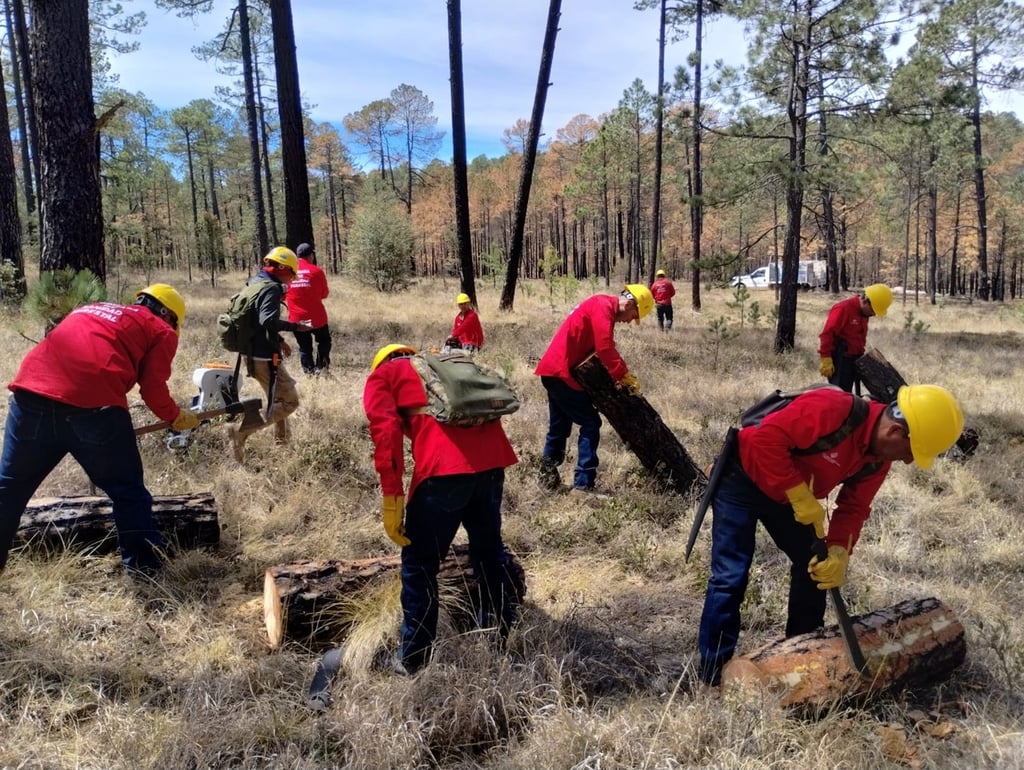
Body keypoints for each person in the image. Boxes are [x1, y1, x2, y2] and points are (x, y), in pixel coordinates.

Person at [697, 383, 964, 686]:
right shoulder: (833, 408)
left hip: (789, 496)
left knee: (815, 568)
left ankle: (802, 657)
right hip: (741, 478)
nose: (908, 461)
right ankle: (712, 674)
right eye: (911, 452)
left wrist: (839, 551)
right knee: (730, 576)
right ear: (895, 433)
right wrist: (798, 494)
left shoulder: (878, 459)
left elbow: (854, 507)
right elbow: (763, 440)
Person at [0, 284, 198, 577]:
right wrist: (175, 416)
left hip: (30, 396)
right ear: (167, 313)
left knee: (9, 489)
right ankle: (145, 572)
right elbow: (154, 389)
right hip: (94, 408)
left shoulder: (87, 309)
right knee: (128, 493)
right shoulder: (160, 329)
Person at [363, 343, 520, 673]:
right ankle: (500, 637)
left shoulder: (383, 377)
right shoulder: (445, 364)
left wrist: (393, 501)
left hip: (443, 472)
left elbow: (386, 435)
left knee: (420, 565)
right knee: (489, 553)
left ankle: (414, 659)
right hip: (492, 464)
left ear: (381, 362)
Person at [534, 284, 654, 492]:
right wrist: (623, 374)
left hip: (553, 370)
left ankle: (547, 478)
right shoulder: (602, 307)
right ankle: (583, 483)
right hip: (560, 373)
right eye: (633, 315)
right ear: (631, 303)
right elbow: (605, 347)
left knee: (558, 429)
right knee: (590, 422)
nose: (629, 322)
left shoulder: (601, 306)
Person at [228, 246, 308, 461]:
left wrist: (280, 340)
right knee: (290, 402)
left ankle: (283, 443)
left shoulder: (255, 283)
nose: (291, 279)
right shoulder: (271, 288)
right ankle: (241, 432)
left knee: (277, 400)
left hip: (253, 352)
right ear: (282, 268)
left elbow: (256, 320)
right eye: (291, 273)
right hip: (264, 356)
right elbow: (267, 320)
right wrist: (295, 327)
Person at [818, 284, 893, 393]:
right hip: (841, 361)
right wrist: (825, 358)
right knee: (840, 395)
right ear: (866, 301)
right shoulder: (843, 309)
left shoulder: (864, 313)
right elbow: (827, 334)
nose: (873, 314)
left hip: (856, 359)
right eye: (873, 310)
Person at [286, 243, 332, 375]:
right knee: (324, 341)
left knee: (305, 347)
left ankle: (309, 373)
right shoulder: (317, 271)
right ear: (311, 255)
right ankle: (321, 368)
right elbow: (325, 294)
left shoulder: (288, 273)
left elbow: (283, 296)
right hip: (317, 318)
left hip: (297, 319)